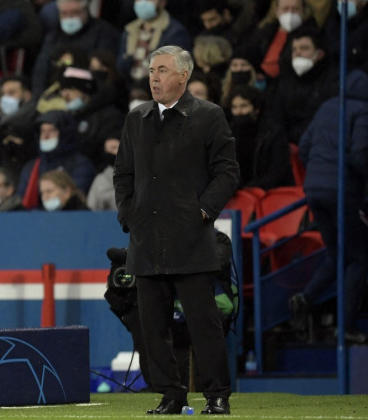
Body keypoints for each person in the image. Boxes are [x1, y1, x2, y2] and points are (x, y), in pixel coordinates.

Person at [113, 45, 239, 415]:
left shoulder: (208, 116)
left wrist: (202, 212)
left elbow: (228, 171)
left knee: (204, 324)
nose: (154, 77)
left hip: (191, 240)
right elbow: (122, 172)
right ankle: (171, 394)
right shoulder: (136, 118)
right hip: (146, 239)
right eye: (152, 70)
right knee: (152, 328)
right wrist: (128, 214)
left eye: (163, 70)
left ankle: (217, 395)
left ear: (184, 76)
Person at [289, 69, 368, 344]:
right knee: (359, 258)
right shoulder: (363, 111)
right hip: (344, 191)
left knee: (337, 254)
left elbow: (305, 145)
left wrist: (319, 172)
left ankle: (306, 296)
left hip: (314, 189)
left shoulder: (327, 107)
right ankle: (345, 326)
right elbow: (361, 155)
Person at [224, 85, 293, 190]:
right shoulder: (228, 134)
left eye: (244, 106)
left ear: (256, 109)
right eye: (234, 107)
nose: (239, 111)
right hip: (239, 194)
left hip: (269, 192)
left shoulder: (273, 134)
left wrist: (250, 188)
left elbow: (277, 173)